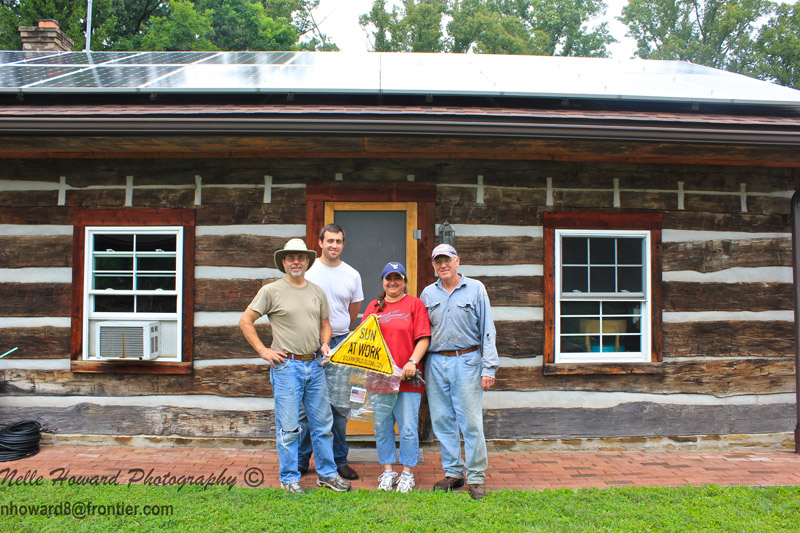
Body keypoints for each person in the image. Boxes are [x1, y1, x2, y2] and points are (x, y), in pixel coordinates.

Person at [238, 238, 351, 494]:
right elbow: (246, 320)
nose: (296, 261)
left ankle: (327, 475)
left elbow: (326, 323)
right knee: (289, 427)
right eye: (291, 258)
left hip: (315, 365)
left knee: (323, 424)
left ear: (308, 261)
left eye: (300, 257)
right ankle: (289, 477)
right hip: (286, 366)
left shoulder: (316, 291)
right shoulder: (271, 291)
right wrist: (263, 350)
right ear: (284, 262)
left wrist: (324, 343)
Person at [420, 243, 499, 500]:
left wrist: (489, 368)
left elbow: (488, 328)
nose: (442, 265)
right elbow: (421, 333)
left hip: (467, 360)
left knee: (471, 422)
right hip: (435, 363)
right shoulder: (428, 294)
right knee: (443, 421)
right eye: (437, 261)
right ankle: (454, 472)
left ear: (457, 261)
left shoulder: (476, 289)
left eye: (447, 260)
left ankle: (476, 477)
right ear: (433, 266)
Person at [297, 224, 364, 480]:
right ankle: (303, 459)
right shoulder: (309, 273)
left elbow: (352, 310)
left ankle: (339, 460)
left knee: (339, 406)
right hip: (310, 344)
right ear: (320, 243)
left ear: (343, 244)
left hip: (341, 345)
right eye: (330, 241)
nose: (334, 245)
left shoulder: (352, 275)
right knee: (307, 405)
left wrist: (337, 332)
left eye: (338, 241)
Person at [362, 262, 430, 493]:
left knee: (408, 427)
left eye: (397, 278)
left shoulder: (415, 304)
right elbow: (362, 340)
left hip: (406, 378)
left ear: (404, 281)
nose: (393, 282)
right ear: (382, 281)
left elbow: (423, 338)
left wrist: (412, 361)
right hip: (379, 379)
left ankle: (408, 473)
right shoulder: (374, 306)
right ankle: (388, 470)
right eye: (388, 278)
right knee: (382, 427)